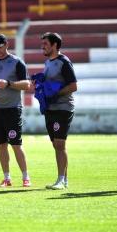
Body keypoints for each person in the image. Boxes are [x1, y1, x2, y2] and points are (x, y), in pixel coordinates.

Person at [0, 34, 31, 187]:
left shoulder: (17, 62)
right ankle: (7, 178)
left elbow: (27, 84)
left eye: (0, 47)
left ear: (6, 45)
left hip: (13, 109)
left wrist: (8, 83)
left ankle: (25, 177)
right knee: (0, 144)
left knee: (16, 144)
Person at [38, 32, 77, 190]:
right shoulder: (48, 62)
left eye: (46, 44)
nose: (43, 46)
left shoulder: (64, 62)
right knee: (56, 144)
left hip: (63, 107)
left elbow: (73, 86)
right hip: (50, 108)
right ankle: (63, 179)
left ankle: (62, 180)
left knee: (60, 144)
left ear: (55, 45)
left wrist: (56, 93)